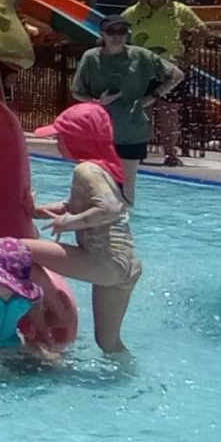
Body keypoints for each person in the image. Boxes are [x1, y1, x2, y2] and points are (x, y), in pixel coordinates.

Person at [27, 102, 143, 356]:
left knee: (16, 249)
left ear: (77, 139)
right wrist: (37, 210)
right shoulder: (103, 168)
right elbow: (75, 206)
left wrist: (69, 223)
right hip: (126, 264)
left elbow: (109, 209)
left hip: (104, 260)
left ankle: (58, 312)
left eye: (60, 137)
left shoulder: (86, 170)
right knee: (108, 343)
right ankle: (127, 375)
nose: (57, 143)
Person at [69, 16, 182, 196]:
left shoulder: (141, 56)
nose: (117, 36)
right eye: (111, 32)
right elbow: (77, 92)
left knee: (126, 186)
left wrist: (152, 96)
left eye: (121, 31)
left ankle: (123, 215)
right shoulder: (91, 57)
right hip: (98, 133)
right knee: (95, 187)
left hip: (131, 131)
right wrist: (97, 102)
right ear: (102, 34)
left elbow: (176, 75)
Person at [124, 0, 203, 166]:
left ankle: (170, 154)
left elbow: (201, 30)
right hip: (142, 69)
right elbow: (115, 31)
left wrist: (190, 56)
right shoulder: (133, 12)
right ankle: (139, 150)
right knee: (142, 111)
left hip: (170, 69)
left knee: (169, 112)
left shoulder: (179, 10)